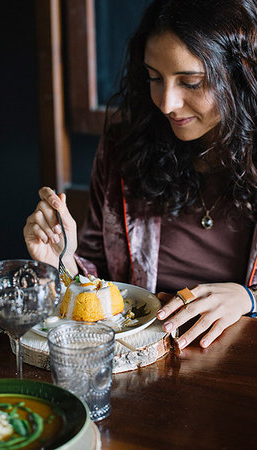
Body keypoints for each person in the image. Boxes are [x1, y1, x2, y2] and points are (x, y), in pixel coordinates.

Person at [24, 0, 257, 350]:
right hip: (139, 360)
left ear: (240, 73)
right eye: (154, 78)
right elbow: (100, 280)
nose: (166, 103)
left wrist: (249, 300)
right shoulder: (126, 145)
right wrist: (62, 258)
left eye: (190, 82)